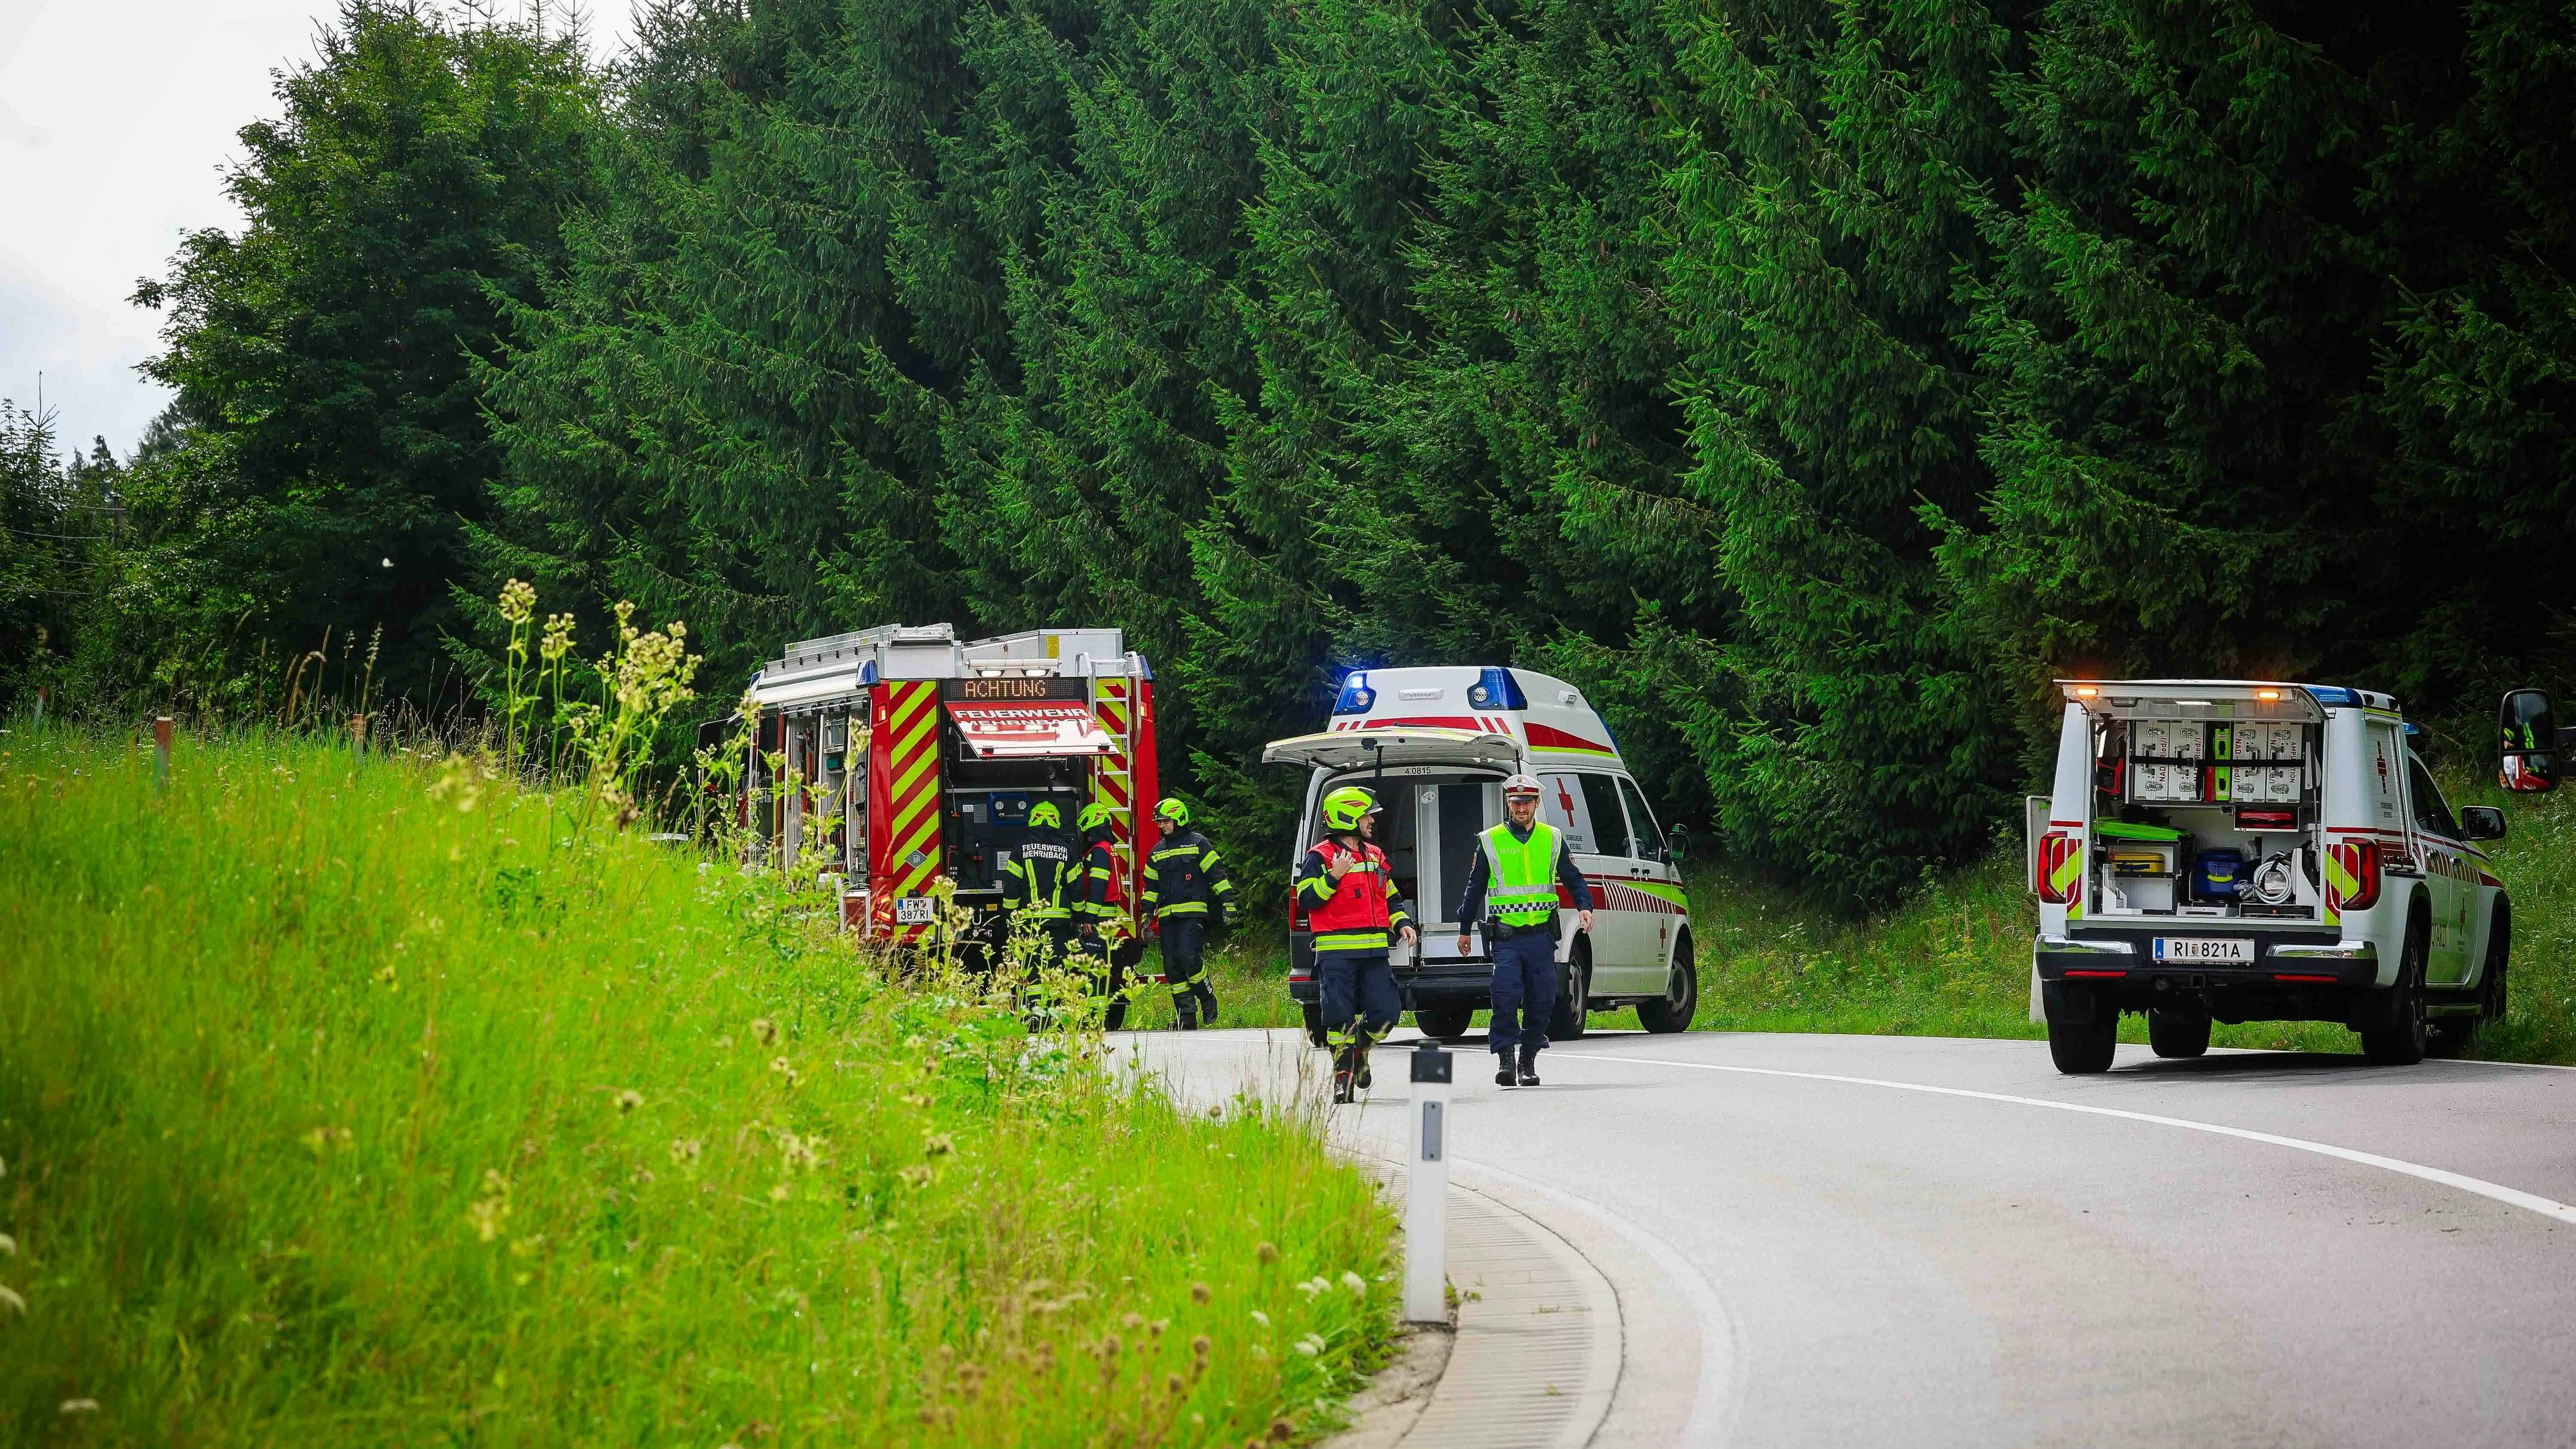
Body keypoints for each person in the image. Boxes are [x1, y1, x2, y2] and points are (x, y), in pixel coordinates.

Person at [1454, 773, 1593, 1087]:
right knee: (1505, 997)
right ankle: (1505, 1059)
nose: (1521, 808)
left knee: (1542, 999)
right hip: (1507, 937)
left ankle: (1527, 1059)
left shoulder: (1553, 837)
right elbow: (1474, 888)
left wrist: (1585, 905)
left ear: (1536, 803)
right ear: (1508, 802)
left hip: (1541, 937)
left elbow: (1573, 877)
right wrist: (1464, 929)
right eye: (1516, 802)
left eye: (1527, 802)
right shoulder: (1490, 840)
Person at [1294, 785, 1416, 1103]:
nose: (1371, 821)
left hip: (1375, 953)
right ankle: (1342, 1079)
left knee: (1387, 1013)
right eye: (1366, 815)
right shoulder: (1319, 857)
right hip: (1337, 955)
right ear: (1348, 817)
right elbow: (1307, 899)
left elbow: (1389, 895)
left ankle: (1361, 1050)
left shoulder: (1375, 855)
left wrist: (1401, 922)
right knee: (1339, 1020)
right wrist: (1332, 877)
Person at [1142, 797, 1235, 1030]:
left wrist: (1228, 902)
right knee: (1171, 966)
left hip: (1192, 914)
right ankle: (1186, 1016)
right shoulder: (1156, 852)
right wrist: (1146, 917)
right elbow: (1150, 889)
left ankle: (1207, 998)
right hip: (1167, 916)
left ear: (1179, 819)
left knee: (1189, 958)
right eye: (1160, 821)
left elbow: (1216, 874)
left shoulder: (1198, 843)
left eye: (1166, 821)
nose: (1161, 825)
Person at [999, 800, 1083, 973]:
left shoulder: (1020, 849)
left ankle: (1035, 1000)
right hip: (1060, 922)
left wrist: (1010, 917)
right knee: (1057, 967)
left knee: (1032, 967)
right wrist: (1080, 917)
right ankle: (1055, 999)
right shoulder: (1067, 850)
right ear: (1056, 821)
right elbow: (1076, 887)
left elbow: (1012, 886)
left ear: (1033, 820)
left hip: (1030, 922)